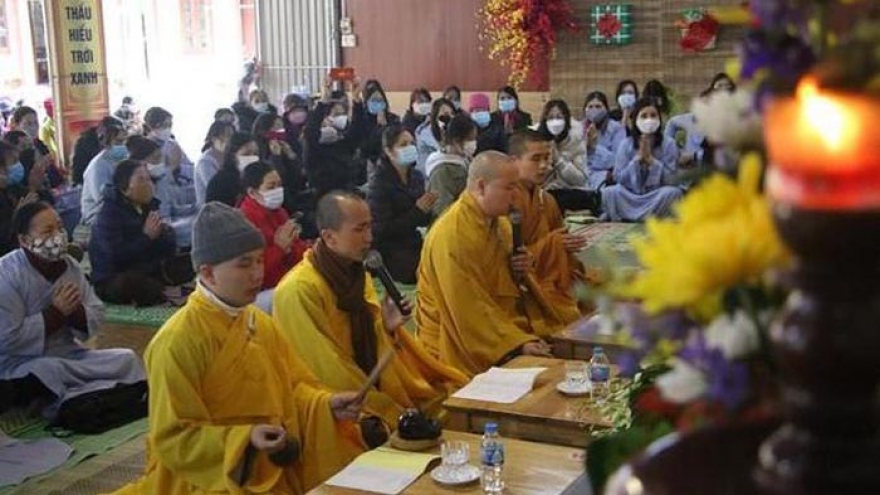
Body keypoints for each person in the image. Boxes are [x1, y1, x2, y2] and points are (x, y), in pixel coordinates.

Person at [112, 202, 364, 495]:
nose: (258, 273)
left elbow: (290, 387)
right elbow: (174, 438)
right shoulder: (176, 342)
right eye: (244, 264)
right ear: (207, 273)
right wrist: (243, 440)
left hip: (269, 464)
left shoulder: (258, 321)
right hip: (211, 478)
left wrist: (324, 404)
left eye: (259, 260)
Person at [273, 191, 465, 441]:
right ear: (329, 237)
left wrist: (385, 328)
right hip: (334, 407)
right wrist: (386, 408)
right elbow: (325, 369)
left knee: (451, 397)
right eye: (359, 230)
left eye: (370, 227)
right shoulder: (298, 291)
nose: (370, 238)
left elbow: (369, 340)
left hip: (372, 383)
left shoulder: (356, 271)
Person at [416, 151, 556, 377]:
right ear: (481, 187)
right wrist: (515, 344)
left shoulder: (501, 224)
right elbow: (466, 309)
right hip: (456, 339)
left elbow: (504, 287)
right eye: (509, 188)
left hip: (498, 325)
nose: (515, 196)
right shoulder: (452, 235)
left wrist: (520, 271)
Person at [0, 202, 145, 417]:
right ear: (24, 240)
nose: (58, 236)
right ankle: (86, 395)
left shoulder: (70, 265)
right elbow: (7, 337)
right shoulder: (6, 274)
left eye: (60, 227)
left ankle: (77, 396)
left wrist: (76, 313)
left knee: (126, 358)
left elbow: (95, 312)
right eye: (48, 231)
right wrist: (55, 315)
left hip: (70, 355)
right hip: (22, 361)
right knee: (49, 371)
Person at [89, 160, 193, 306]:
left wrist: (165, 234)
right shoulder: (108, 214)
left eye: (149, 179)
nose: (149, 184)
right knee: (134, 283)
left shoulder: (147, 206)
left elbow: (160, 252)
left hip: (146, 267)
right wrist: (146, 237)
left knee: (191, 262)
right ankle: (159, 289)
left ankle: (161, 285)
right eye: (141, 180)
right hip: (114, 276)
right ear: (125, 188)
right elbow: (114, 256)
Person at [509, 130, 585, 326]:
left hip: (548, 277)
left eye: (547, 158)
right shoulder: (505, 200)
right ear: (514, 161)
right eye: (535, 159)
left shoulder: (547, 199)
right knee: (567, 317)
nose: (544, 166)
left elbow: (559, 249)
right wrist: (553, 244)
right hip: (522, 284)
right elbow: (505, 260)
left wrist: (563, 246)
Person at [367, 126, 435, 284]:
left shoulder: (416, 176)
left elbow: (422, 218)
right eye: (403, 144)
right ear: (389, 151)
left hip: (413, 240)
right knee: (422, 272)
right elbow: (380, 230)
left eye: (412, 143)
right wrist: (417, 212)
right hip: (390, 248)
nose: (410, 147)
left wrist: (428, 209)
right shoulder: (379, 183)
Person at [603, 98, 682, 221]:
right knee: (610, 192)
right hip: (630, 196)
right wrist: (637, 160)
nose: (649, 120)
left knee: (673, 193)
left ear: (659, 119)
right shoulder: (626, 144)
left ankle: (635, 217)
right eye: (644, 116)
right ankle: (646, 216)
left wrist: (651, 161)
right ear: (636, 120)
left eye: (653, 115)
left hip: (656, 195)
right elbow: (618, 178)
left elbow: (672, 180)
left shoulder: (669, 144)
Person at [240, 161, 308, 290]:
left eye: (279, 185)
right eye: (271, 187)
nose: (277, 191)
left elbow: (296, 247)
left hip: (290, 276)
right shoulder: (244, 222)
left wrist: (291, 249)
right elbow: (252, 270)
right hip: (264, 288)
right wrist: (279, 248)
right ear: (252, 193)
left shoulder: (279, 211)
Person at [303, 77, 365, 201]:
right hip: (323, 200)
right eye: (335, 115)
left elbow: (357, 129)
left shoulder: (343, 145)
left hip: (347, 196)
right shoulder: (313, 149)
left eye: (341, 114)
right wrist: (324, 100)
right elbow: (311, 132)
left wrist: (356, 99)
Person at [536, 100, 596, 212]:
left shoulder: (576, 141)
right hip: (544, 191)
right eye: (550, 118)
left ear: (566, 119)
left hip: (569, 191)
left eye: (559, 117)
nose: (555, 122)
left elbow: (580, 180)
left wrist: (559, 160)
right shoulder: (537, 141)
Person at [253, 113, 309, 217]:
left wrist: (291, 155)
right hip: (279, 199)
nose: (281, 131)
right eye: (277, 127)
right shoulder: (260, 152)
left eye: (282, 127)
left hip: (296, 194)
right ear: (266, 132)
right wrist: (276, 157)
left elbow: (301, 174)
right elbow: (279, 178)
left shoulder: (286, 146)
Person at [425, 113, 477, 217]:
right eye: (470, 139)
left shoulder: (464, 159)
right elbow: (442, 210)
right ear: (456, 141)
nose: (474, 143)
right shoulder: (441, 171)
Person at [80, 116, 128, 226]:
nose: (122, 146)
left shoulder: (123, 159)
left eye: (124, 141)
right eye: (118, 142)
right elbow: (104, 200)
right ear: (106, 141)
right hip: (98, 216)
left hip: (119, 211)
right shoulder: (98, 166)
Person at [356, 80, 401, 185]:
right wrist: (380, 128)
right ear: (366, 102)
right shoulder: (362, 120)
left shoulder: (393, 119)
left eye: (380, 100)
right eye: (374, 100)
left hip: (392, 166)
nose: (378, 103)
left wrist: (386, 126)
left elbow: (395, 141)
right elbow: (365, 148)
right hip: (368, 171)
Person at [205, 132, 259, 207]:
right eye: (246, 154)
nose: (253, 158)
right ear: (233, 156)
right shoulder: (219, 183)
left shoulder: (260, 176)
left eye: (256, 154)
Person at [126, 135, 174, 219]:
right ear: (141, 162)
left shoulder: (160, 178)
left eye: (161, 157)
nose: (160, 162)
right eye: (156, 158)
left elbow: (169, 208)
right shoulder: (135, 190)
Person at [582, 91, 622, 190]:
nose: (594, 110)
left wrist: (594, 146)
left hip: (606, 176)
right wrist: (585, 146)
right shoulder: (579, 128)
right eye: (590, 107)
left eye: (598, 106)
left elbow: (618, 159)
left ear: (606, 109)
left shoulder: (616, 128)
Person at [143, 107, 193, 180]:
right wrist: (172, 166)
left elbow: (190, 168)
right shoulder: (145, 146)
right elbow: (151, 173)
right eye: (165, 125)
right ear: (152, 126)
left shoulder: (172, 144)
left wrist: (179, 167)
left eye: (170, 125)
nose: (168, 128)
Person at [194, 121, 234, 207]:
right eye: (226, 136)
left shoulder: (229, 156)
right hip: (210, 209)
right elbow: (216, 189)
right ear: (214, 138)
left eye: (232, 136)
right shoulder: (205, 162)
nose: (230, 140)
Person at [415, 98, 455, 173]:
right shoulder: (426, 133)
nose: (450, 117)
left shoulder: (449, 131)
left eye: (452, 114)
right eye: (445, 115)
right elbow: (445, 151)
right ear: (435, 118)